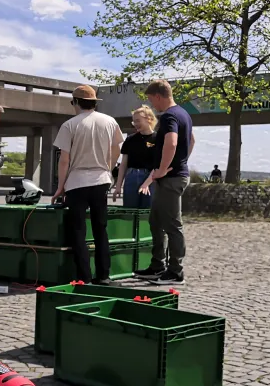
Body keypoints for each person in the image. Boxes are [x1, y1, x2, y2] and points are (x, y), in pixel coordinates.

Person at [51, 85, 124, 285]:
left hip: (76, 181)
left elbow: (64, 160)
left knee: (78, 231)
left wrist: (60, 186)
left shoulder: (69, 125)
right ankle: (104, 275)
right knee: (101, 229)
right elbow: (117, 149)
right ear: (94, 102)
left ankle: (84, 276)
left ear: (75, 102)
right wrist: (108, 168)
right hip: (101, 179)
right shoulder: (110, 122)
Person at [134, 79, 195, 285]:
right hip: (172, 175)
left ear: (159, 96)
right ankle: (157, 266)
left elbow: (172, 142)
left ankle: (175, 271)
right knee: (156, 222)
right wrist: (181, 161)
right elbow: (191, 140)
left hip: (170, 178)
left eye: (152, 101)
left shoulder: (170, 115)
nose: (153, 106)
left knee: (171, 224)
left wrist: (162, 169)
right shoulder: (183, 114)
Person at [112, 106, 157, 209]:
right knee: (129, 210)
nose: (135, 124)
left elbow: (158, 165)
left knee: (147, 211)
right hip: (131, 176)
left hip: (151, 177)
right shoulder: (130, 139)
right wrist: (118, 185)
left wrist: (146, 183)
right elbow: (123, 164)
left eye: (138, 121)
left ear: (149, 119)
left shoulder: (158, 139)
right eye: (134, 122)